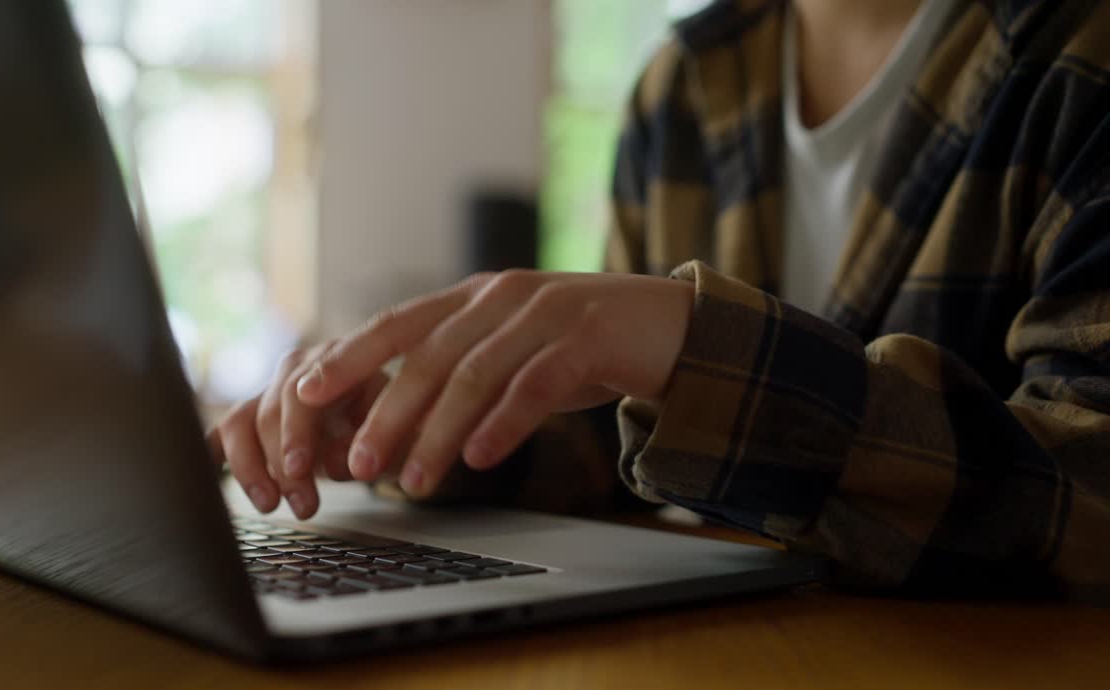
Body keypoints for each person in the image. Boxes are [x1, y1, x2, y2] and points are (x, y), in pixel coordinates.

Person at [209, 0, 1110, 599]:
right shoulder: (683, 83)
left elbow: (1087, 499)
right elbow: (615, 450)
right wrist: (429, 426)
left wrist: (698, 349)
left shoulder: (1080, 54)